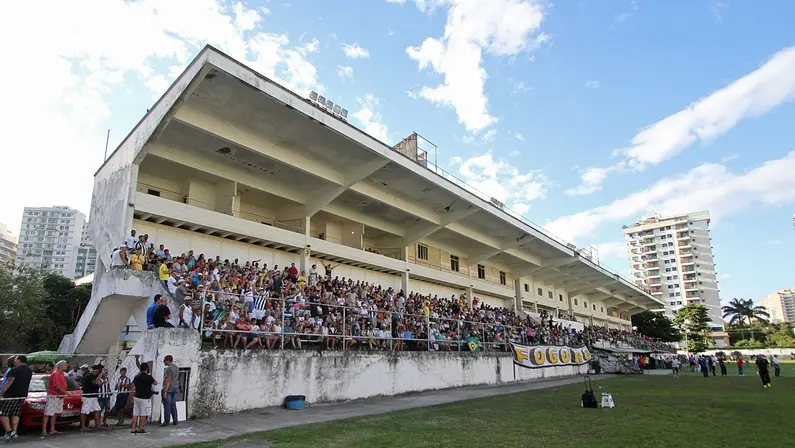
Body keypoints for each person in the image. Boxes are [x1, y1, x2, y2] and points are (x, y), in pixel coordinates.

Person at [0, 355, 33, 441]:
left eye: (15, 359)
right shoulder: (29, 370)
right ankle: (14, 432)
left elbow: (9, 382)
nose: (14, 361)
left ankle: (9, 431)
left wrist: (1, 393)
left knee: (3, 413)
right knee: (15, 413)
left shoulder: (14, 370)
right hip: (22, 395)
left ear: (19, 360)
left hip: (10, 396)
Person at [41, 360, 73, 438]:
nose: (66, 366)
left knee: (54, 413)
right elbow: (56, 386)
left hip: (59, 396)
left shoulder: (61, 374)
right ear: (61, 366)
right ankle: (44, 430)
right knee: (48, 413)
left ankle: (52, 429)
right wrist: (66, 392)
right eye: (65, 365)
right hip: (53, 395)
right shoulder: (55, 374)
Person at [131, 362, 158, 434]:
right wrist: (149, 374)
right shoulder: (148, 377)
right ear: (147, 369)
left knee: (135, 413)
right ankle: (140, 429)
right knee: (143, 414)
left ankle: (133, 429)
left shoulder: (136, 377)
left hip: (137, 396)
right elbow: (155, 382)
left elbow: (134, 385)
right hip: (145, 398)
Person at [80, 365, 102, 431]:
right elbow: (95, 382)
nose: (96, 372)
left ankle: (98, 425)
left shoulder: (94, 376)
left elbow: (97, 384)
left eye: (97, 371)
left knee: (97, 409)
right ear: (92, 369)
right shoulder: (88, 376)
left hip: (94, 396)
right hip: (88, 396)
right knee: (84, 411)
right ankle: (83, 427)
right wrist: (100, 375)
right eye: (95, 371)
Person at [161, 355, 179, 426]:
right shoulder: (176, 367)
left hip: (169, 388)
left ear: (168, 360)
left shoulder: (168, 369)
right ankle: (175, 420)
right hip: (175, 387)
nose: (164, 361)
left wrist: (165, 391)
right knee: (173, 405)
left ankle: (166, 421)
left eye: (164, 360)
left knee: (167, 406)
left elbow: (168, 380)